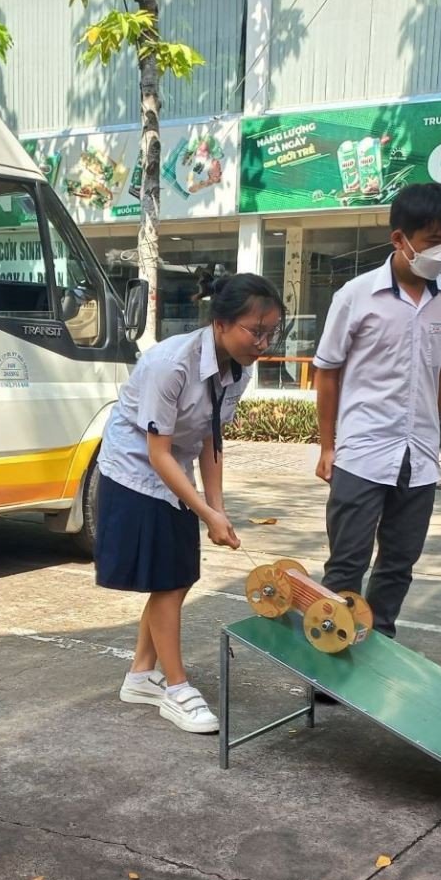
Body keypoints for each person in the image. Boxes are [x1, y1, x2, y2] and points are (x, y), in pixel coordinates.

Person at [95, 273, 284, 734]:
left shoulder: (239, 369)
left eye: (271, 333)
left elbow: (210, 440)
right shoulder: (172, 364)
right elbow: (157, 452)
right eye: (255, 331)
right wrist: (205, 512)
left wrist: (217, 509)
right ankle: (176, 689)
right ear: (220, 323)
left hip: (173, 468)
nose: (263, 343)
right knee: (169, 580)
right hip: (134, 470)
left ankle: (141, 675)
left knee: (177, 578)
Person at [313, 183, 441, 637]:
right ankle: (332, 655)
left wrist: (434, 433)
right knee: (347, 564)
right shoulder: (356, 296)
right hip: (362, 451)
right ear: (399, 239)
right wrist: (327, 447)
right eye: (431, 240)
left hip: (419, 458)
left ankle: (379, 647)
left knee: (399, 563)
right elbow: (327, 372)